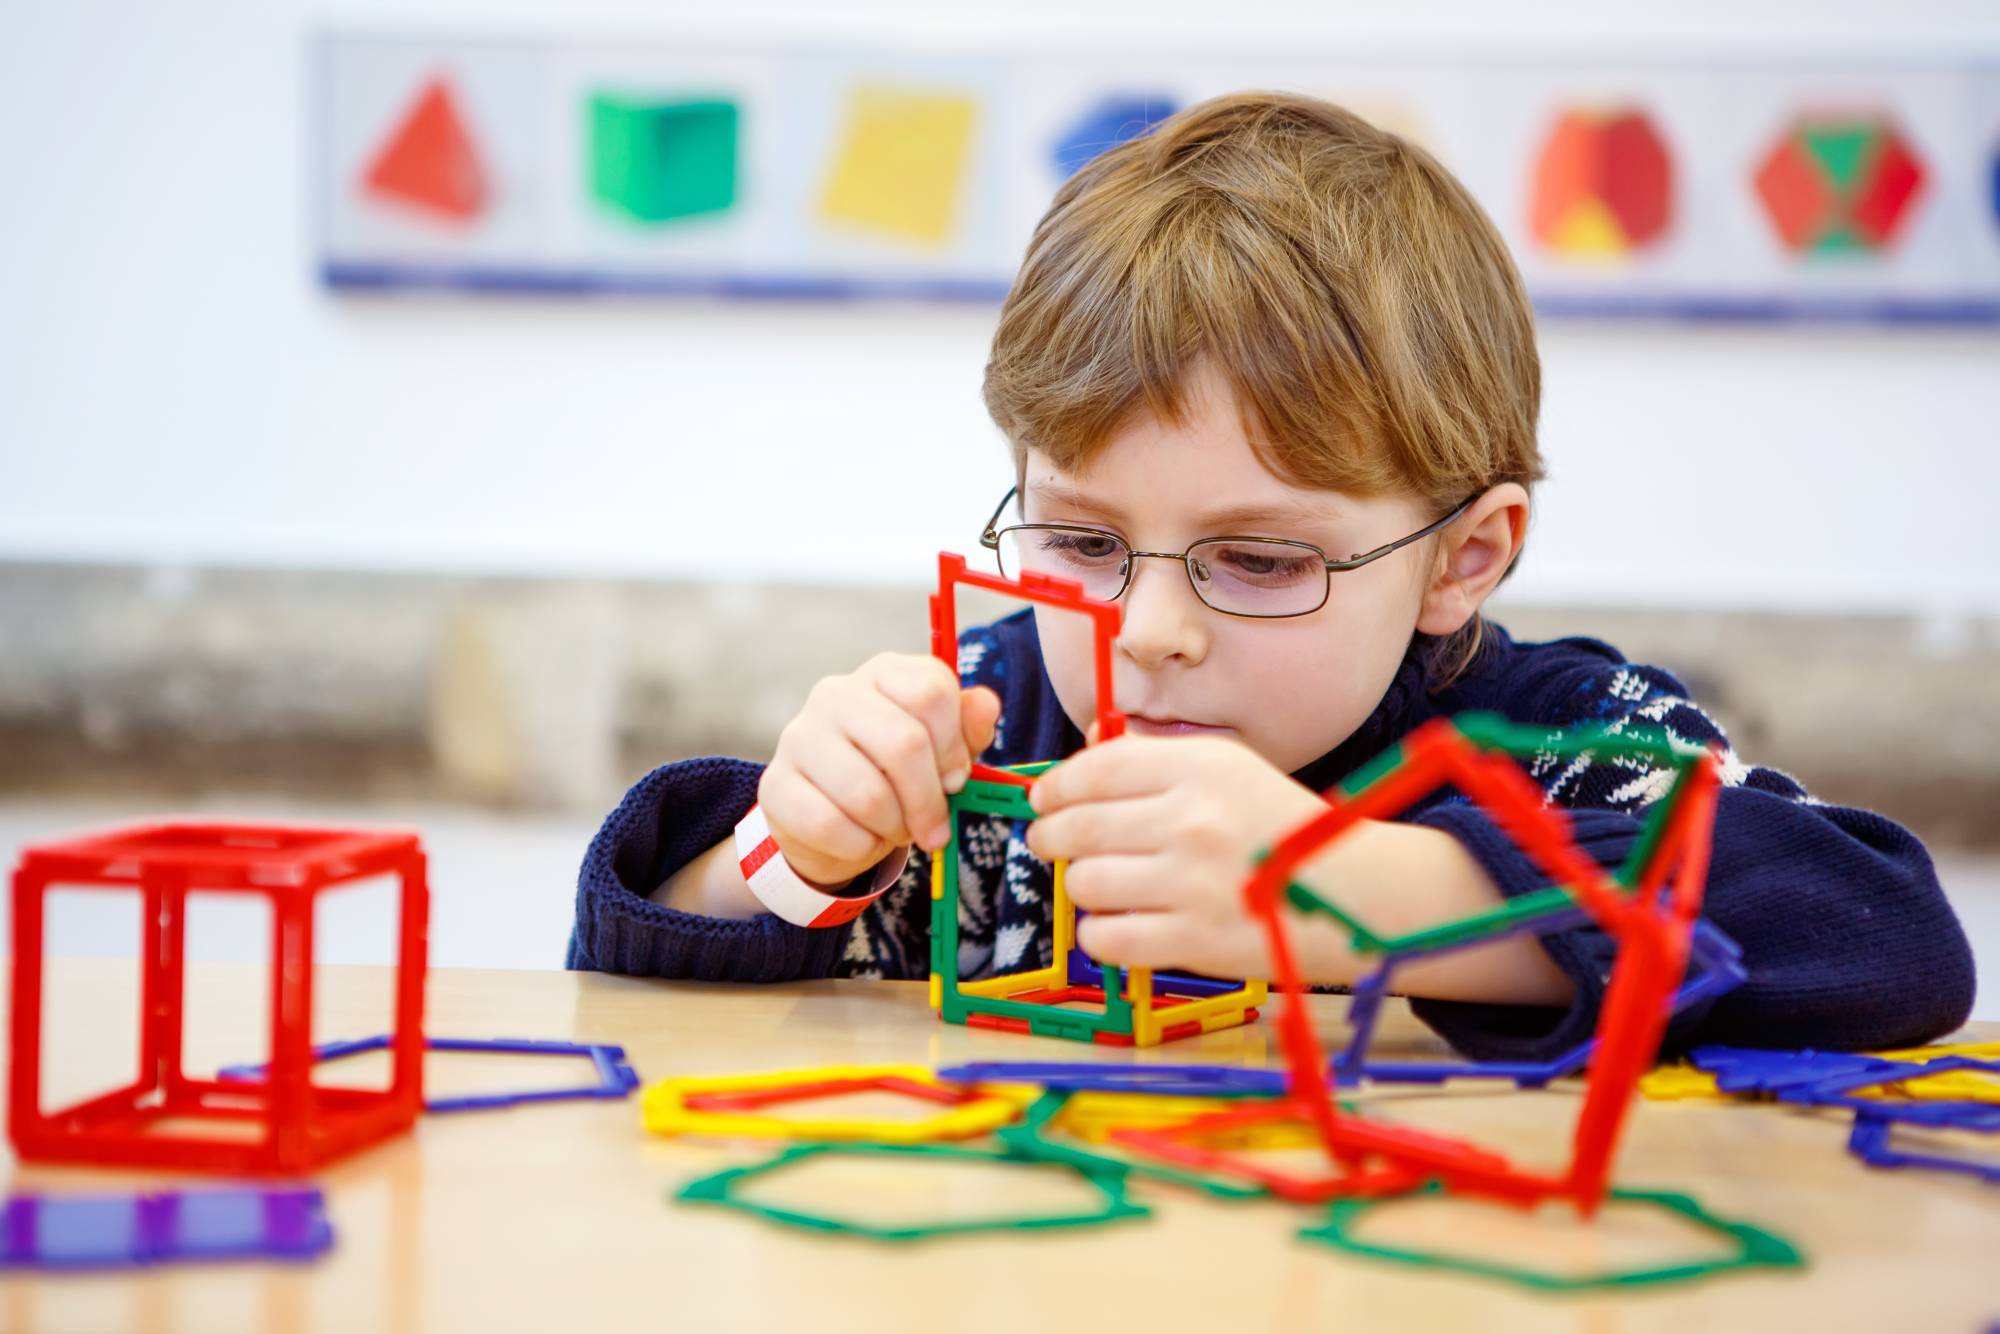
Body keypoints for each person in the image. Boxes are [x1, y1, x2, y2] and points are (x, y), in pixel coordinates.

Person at [568, 92, 1973, 1060]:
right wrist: (794, 857)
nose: (1149, 632)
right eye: (1083, 543)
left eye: (1257, 558)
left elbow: (1881, 936)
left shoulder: (1566, 739)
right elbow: (633, 957)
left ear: (1460, 558)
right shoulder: (1004, 719)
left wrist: (1340, 890)